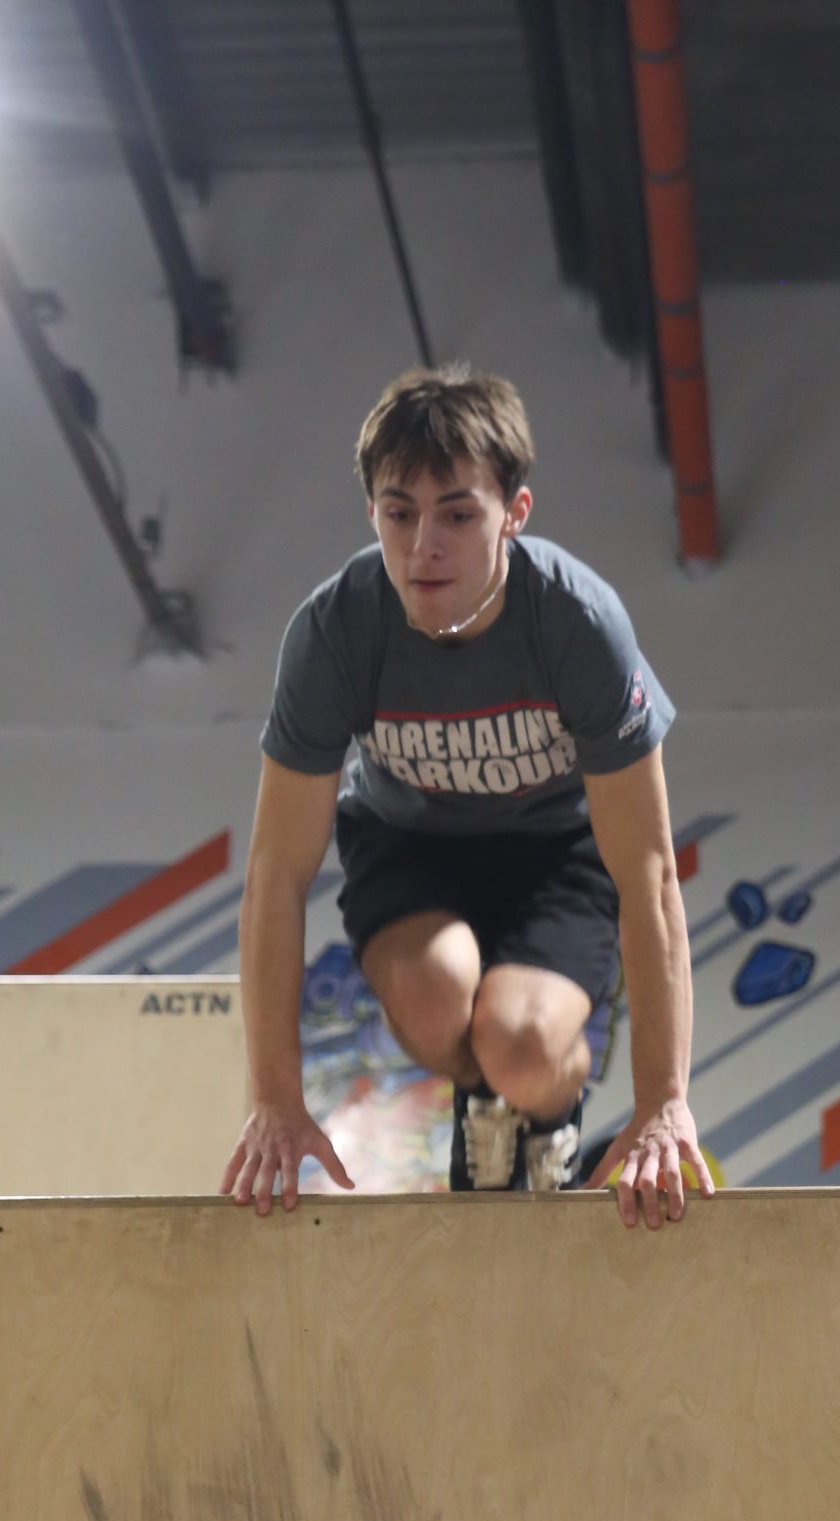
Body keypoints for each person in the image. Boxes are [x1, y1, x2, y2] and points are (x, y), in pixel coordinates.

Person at [220, 363, 711, 1229]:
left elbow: (648, 874)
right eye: (398, 514)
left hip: (556, 853)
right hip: (406, 846)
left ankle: (544, 1112)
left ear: (513, 513)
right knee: (437, 994)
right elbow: (276, 875)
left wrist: (663, 1101)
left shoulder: (576, 623)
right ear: (371, 514)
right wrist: (275, 1102)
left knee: (520, 1045)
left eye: (457, 514)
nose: (424, 548)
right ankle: (485, 1102)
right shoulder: (336, 632)